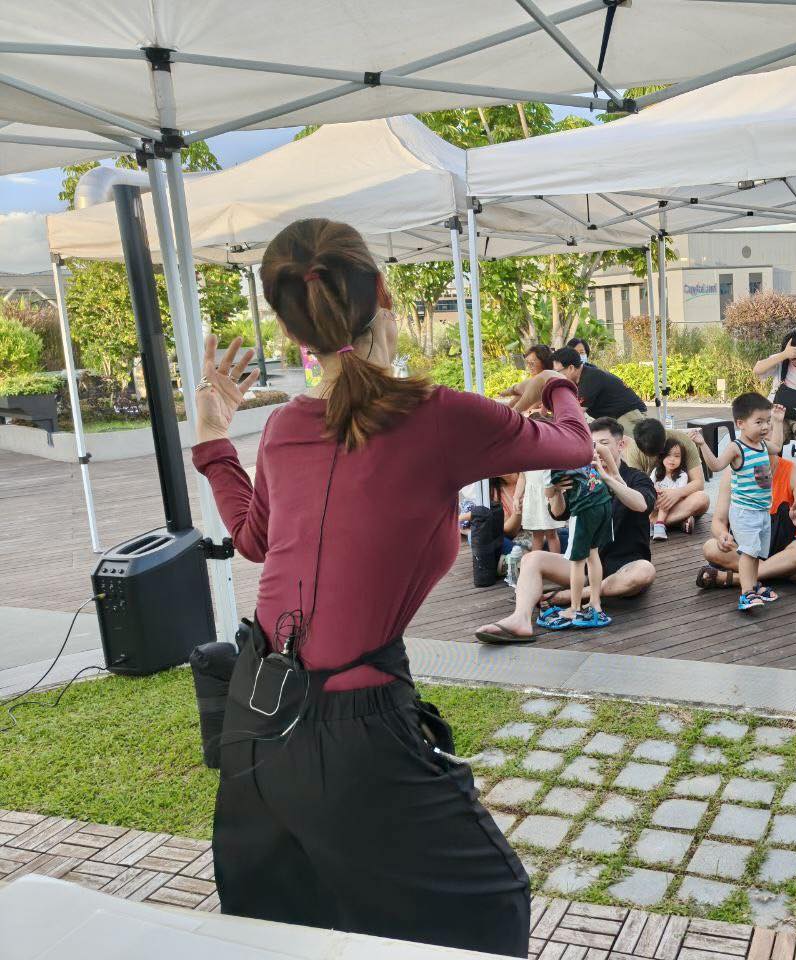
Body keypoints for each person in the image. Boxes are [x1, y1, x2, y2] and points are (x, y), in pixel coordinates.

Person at [191, 218, 591, 956]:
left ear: (289, 327)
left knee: (295, 922)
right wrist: (558, 383)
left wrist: (214, 438)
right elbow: (575, 445)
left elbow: (251, 538)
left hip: (256, 714)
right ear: (382, 292)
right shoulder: (440, 415)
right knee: (486, 908)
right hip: (353, 731)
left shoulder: (285, 426)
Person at [476, 417, 657, 642]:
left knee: (645, 571)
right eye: (591, 445)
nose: (595, 451)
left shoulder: (636, 477)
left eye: (603, 443)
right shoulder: (579, 474)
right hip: (583, 564)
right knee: (531, 559)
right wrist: (557, 491)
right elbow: (558, 513)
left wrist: (609, 479)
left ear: (620, 445)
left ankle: (566, 597)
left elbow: (641, 505)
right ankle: (520, 619)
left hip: (624, 566)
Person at [698, 404, 796, 591]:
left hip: (782, 547)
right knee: (710, 547)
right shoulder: (733, 473)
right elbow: (719, 521)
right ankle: (784, 573)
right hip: (745, 545)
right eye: (759, 426)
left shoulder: (794, 472)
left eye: (769, 427)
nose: (764, 432)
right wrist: (722, 535)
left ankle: (736, 578)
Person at [691, 393, 781, 612]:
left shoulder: (762, 445)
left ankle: (754, 586)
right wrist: (702, 444)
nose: (765, 426)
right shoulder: (736, 447)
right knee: (748, 553)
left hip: (762, 510)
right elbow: (715, 465)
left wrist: (778, 422)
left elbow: (777, 447)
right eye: (759, 422)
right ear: (740, 423)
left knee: (756, 553)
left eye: (767, 421)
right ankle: (746, 593)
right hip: (744, 512)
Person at [539, 455, 614, 630]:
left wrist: (554, 488)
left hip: (583, 509)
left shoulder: (549, 462)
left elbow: (548, 493)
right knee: (593, 553)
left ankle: (574, 607)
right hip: (604, 502)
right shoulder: (577, 448)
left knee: (577, 561)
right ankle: (595, 602)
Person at [753, 328, 796, 492]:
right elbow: (757, 370)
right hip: (778, 415)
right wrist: (784, 355)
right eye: (794, 358)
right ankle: (767, 483)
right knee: (766, 436)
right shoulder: (781, 360)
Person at [627, 417, 710, 533]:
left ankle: (654, 523)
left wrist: (676, 493)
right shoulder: (634, 450)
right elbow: (636, 488)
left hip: (680, 500)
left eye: (660, 453)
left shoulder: (683, 441)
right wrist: (655, 497)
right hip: (653, 503)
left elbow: (699, 483)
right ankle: (677, 521)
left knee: (703, 499)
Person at [552, 346, 647, 437]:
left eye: (557, 372)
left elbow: (576, 412)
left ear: (571, 368)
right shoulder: (583, 374)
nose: (555, 376)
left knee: (629, 447)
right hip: (616, 418)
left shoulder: (590, 378)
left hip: (629, 415)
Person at [520, 414, 564, 554]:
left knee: (551, 533)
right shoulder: (525, 454)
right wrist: (516, 497)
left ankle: (556, 563)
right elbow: (523, 477)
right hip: (532, 498)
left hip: (547, 495)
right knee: (536, 534)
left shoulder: (551, 452)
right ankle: (536, 562)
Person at [650, 436, 691, 540]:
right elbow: (649, 485)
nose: (672, 459)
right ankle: (650, 524)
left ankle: (659, 525)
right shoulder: (656, 471)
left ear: (681, 459)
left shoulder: (682, 475)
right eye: (668, 455)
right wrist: (655, 491)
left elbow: (679, 493)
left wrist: (664, 493)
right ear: (662, 456)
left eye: (677, 456)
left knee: (665, 499)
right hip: (655, 502)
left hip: (672, 503)